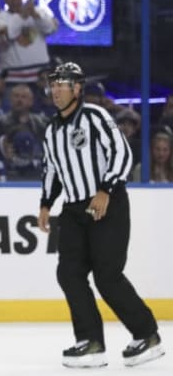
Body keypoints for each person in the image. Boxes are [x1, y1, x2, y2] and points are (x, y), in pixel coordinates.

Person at [37, 62, 164, 368]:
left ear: (78, 88)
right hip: (73, 209)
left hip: (107, 203)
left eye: (62, 84)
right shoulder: (51, 129)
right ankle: (90, 342)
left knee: (107, 276)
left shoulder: (95, 116)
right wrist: (45, 204)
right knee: (68, 273)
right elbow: (52, 170)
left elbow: (121, 153)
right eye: (53, 84)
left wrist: (105, 190)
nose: (56, 90)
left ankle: (147, 334)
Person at [0, 0, 57, 86]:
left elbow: (50, 29)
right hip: (12, 78)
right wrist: (22, 16)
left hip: (40, 76)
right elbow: (8, 34)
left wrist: (35, 15)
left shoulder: (39, 11)